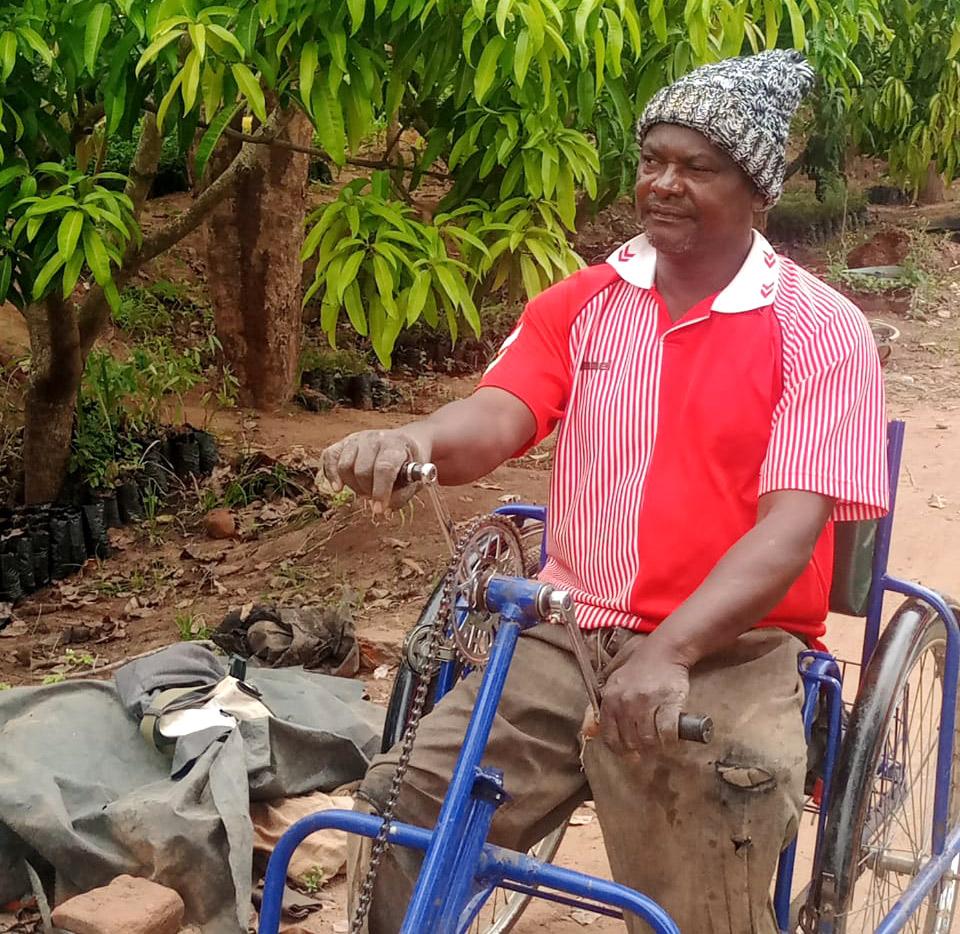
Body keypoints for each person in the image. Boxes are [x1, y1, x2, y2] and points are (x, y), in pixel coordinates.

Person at [323, 50, 888, 933]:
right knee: (405, 804)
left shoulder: (820, 332)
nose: (664, 182)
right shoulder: (583, 302)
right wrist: (416, 439)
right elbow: (499, 412)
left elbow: (789, 532)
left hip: (729, 648)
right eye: (652, 159)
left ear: (757, 190)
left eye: (697, 166)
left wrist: (671, 651)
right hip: (567, 627)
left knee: (709, 853)